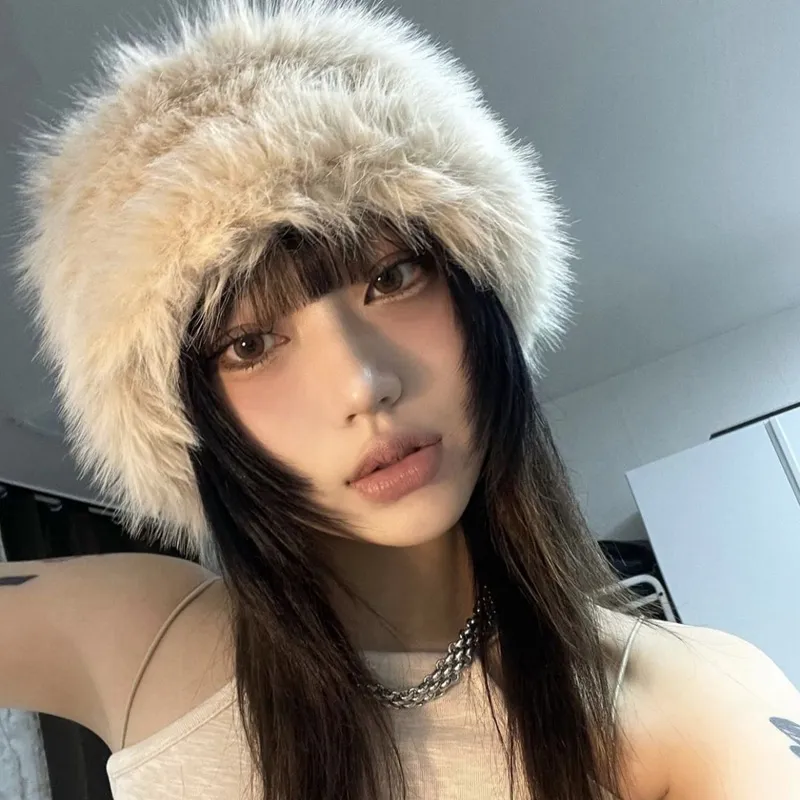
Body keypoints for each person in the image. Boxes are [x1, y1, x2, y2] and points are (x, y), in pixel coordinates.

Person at [2, 0, 800, 798]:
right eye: (250, 345)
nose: (363, 383)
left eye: (393, 277)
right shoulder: (143, 638)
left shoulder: (697, 696)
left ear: (478, 288)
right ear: (186, 419)